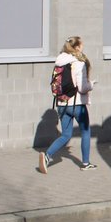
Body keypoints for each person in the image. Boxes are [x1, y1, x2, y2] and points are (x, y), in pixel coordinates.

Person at [39, 36, 96, 173]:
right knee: (85, 131)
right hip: (77, 105)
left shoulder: (59, 62)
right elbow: (82, 88)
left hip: (62, 104)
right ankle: (85, 163)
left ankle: (47, 156)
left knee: (65, 135)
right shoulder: (78, 63)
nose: (82, 47)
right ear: (76, 47)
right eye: (81, 45)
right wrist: (91, 85)